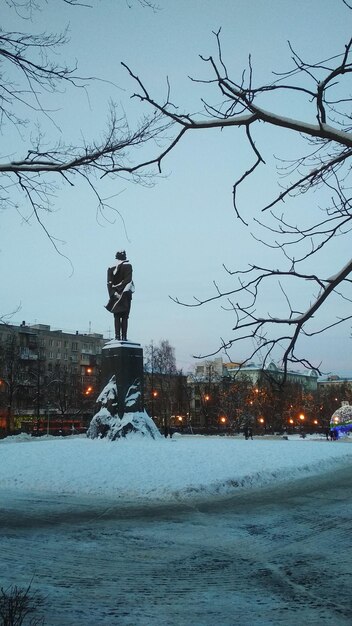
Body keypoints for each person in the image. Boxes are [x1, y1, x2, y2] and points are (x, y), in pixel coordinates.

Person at [105, 250, 134, 341]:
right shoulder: (128, 266)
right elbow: (128, 280)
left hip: (115, 295)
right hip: (125, 295)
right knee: (125, 317)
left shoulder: (111, 268)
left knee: (117, 316)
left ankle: (117, 336)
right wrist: (121, 292)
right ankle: (124, 337)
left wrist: (113, 293)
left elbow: (109, 283)